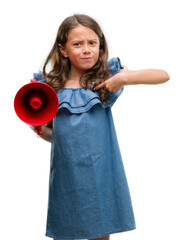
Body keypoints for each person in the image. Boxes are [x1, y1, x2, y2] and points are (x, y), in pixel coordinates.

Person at [30, 14, 170, 240]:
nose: (86, 50)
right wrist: (37, 128)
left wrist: (123, 79)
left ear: (100, 45)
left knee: (101, 232)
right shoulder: (50, 87)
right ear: (63, 50)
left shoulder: (105, 79)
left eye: (92, 43)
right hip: (67, 176)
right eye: (77, 44)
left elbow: (163, 76)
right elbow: (56, 136)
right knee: (65, 231)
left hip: (102, 173)